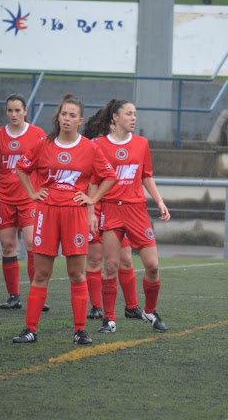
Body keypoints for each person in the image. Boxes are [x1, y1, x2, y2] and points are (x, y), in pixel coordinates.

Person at [13, 94, 116, 345]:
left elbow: (110, 176)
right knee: (41, 274)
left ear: (80, 120)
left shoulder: (90, 148)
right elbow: (21, 167)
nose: (67, 119)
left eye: (72, 115)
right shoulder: (43, 144)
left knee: (76, 274)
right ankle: (30, 329)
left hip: (74, 214)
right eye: (63, 114)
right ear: (57, 117)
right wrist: (33, 193)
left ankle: (79, 330)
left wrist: (92, 200)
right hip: (47, 213)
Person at [87, 99, 171, 334]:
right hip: (112, 210)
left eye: (135, 114)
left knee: (153, 266)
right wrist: (92, 211)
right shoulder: (100, 145)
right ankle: (110, 319)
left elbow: (146, 175)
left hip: (136, 211)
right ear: (115, 117)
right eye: (128, 114)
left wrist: (160, 201)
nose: (133, 118)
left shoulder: (142, 143)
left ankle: (150, 311)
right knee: (111, 265)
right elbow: (94, 182)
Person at [0, 93, 49, 312]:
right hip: (4, 197)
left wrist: (42, 191)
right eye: (10, 110)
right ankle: (13, 296)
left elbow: (45, 165)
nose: (13, 114)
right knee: (8, 245)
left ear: (25, 111)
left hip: (29, 198)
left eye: (17, 110)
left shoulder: (38, 134)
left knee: (32, 244)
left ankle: (36, 293)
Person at [81, 113, 143, 321]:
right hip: (95, 209)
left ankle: (131, 306)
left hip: (116, 210)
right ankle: (97, 306)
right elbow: (90, 182)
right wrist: (90, 212)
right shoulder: (91, 148)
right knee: (96, 259)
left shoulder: (119, 147)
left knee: (125, 259)